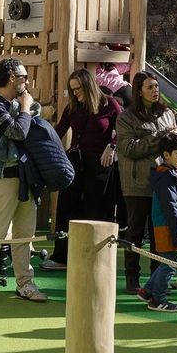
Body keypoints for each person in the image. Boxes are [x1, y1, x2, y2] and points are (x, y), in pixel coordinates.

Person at [0, 57, 50, 306]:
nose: (27, 81)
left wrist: (26, 109)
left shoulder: (20, 103)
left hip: (27, 179)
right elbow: (18, 131)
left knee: (24, 235)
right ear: (11, 78)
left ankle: (25, 284)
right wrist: (26, 109)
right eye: (23, 77)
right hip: (3, 179)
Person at [45, 67, 122, 269]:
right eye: (72, 90)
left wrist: (112, 146)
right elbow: (58, 132)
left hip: (100, 164)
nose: (76, 93)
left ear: (89, 86)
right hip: (76, 161)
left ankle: (96, 259)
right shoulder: (72, 108)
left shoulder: (109, 104)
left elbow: (124, 130)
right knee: (66, 206)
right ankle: (62, 256)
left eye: (78, 89)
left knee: (97, 209)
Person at [116, 72, 177, 294]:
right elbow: (128, 148)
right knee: (134, 231)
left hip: (163, 180)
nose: (155, 90)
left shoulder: (168, 114)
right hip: (136, 183)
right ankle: (131, 278)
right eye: (149, 87)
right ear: (139, 91)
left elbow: (176, 146)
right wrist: (159, 137)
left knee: (159, 232)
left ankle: (157, 279)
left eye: (156, 86)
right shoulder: (126, 117)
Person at [142, 130, 177, 313]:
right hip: (169, 227)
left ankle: (147, 290)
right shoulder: (165, 177)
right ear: (166, 155)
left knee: (168, 261)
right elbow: (171, 209)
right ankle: (158, 298)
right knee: (172, 263)